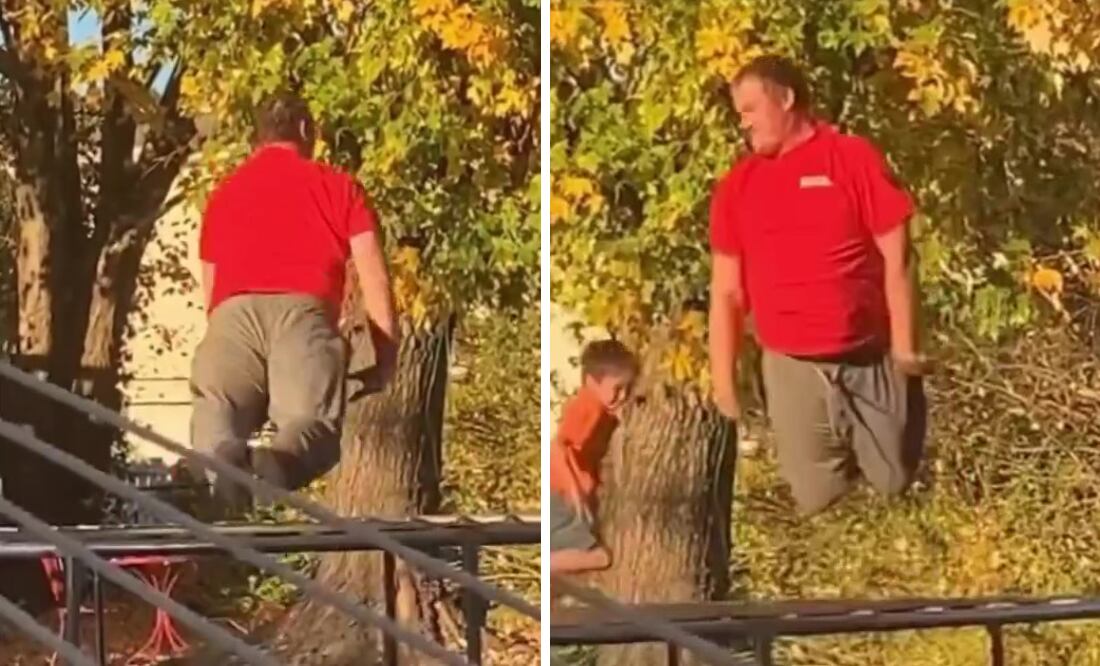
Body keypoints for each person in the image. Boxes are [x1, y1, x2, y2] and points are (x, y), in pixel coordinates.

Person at [708, 55, 928, 516]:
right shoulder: (738, 186)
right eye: (738, 112)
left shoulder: (850, 158)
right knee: (817, 502)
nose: (742, 122)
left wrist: (906, 348)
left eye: (750, 108)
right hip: (792, 364)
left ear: (786, 99)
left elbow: (899, 257)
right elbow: (726, 291)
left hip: (871, 355)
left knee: (895, 482)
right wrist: (724, 383)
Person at [190, 90, 398, 514]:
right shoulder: (339, 187)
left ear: (257, 137)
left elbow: (210, 293)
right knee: (311, 429)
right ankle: (277, 461)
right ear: (305, 130)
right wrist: (385, 355)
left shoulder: (223, 194)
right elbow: (375, 276)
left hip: (230, 319)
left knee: (218, 422)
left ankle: (216, 465)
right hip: (302, 317)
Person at [548, 339, 638, 575]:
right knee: (600, 557)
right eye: (617, 388)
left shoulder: (600, 410)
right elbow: (557, 449)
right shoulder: (588, 407)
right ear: (591, 382)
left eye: (627, 389)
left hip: (566, 492)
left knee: (594, 554)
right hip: (562, 493)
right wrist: (574, 490)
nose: (623, 396)